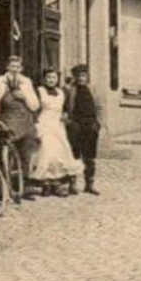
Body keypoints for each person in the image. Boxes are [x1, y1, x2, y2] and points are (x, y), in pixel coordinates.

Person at [0, 54, 39, 189]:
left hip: (25, 120)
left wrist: (24, 97)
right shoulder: (0, 80)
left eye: (18, 66)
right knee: (6, 152)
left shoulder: (26, 81)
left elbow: (35, 105)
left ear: (21, 68)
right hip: (8, 119)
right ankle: (4, 186)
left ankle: (25, 186)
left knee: (26, 153)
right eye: (12, 66)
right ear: (7, 67)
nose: (15, 69)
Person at [32, 67, 85, 195]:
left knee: (61, 152)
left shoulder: (62, 92)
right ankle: (46, 183)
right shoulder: (39, 91)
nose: (51, 80)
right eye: (48, 77)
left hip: (57, 125)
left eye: (54, 77)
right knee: (46, 153)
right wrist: (35, 123)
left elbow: (66, 109)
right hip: (44, 124)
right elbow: (34, 108)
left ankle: (58, 184)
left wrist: (65, 115)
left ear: (57, 79)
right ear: (44, 79)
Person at [66, 64, 101, 195]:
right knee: (74, 155)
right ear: (74, 77)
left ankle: (89, 184)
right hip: (76, 125)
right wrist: (69, 122)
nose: (81, 78)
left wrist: (99, 123)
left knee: (90, 156)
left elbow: (100, 106)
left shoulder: (93, 89)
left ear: (87, 76)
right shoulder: (69, 89)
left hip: (91, 125)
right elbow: (64, 107)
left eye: (83, 75)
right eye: (78, 76)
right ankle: (72, 184)